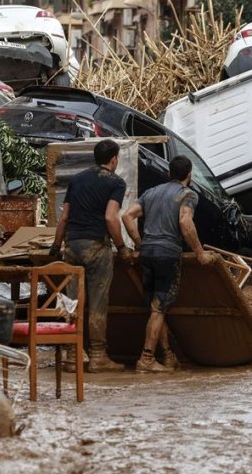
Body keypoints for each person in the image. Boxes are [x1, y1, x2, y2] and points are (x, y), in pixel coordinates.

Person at [121, 155, 215, 372]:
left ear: (169, 173)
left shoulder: (151, 193)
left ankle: (168, 356)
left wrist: (139, 243)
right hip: (167, 253)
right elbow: (185, 221)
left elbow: (127, 216)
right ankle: (146, 359)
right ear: (189, 175)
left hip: (148, 254)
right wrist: (199, 253)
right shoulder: (187, 194)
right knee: (159, 307)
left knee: (155, 307)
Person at [49, 139, 132, 373]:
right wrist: (122, 246)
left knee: (72, 302)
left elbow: (63, 217)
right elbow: (110, 217)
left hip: (72, 246)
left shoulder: (76, 179)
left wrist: (56, 246)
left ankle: (72, 356)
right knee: (97, 302)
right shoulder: (116, 182)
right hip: (96, 247)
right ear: (114, 159)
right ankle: (98, 357)